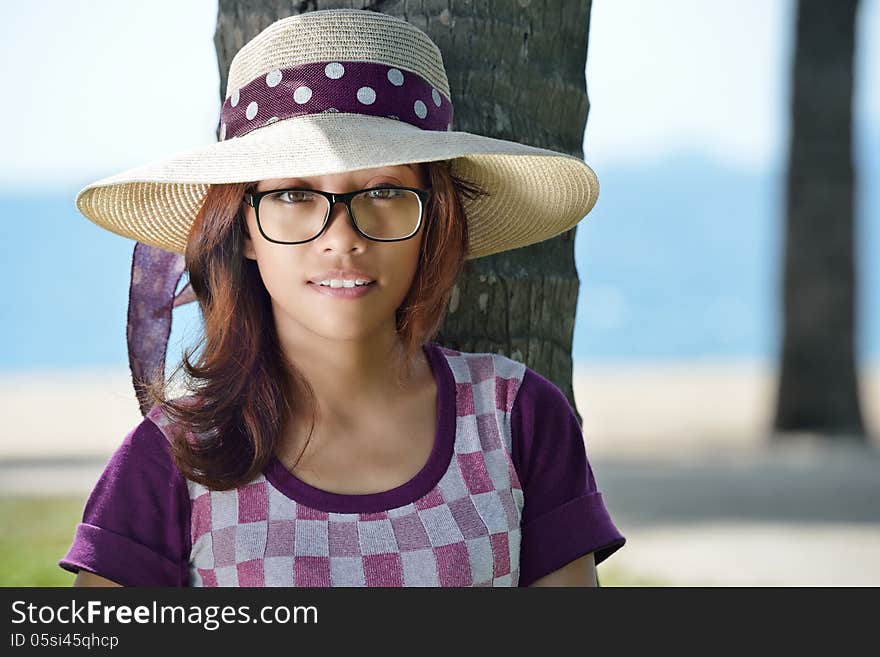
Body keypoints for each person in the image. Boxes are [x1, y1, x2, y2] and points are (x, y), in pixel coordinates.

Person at [59, 8, 625, 587]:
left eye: (383, 190)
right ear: (243, 230)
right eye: (294, 194)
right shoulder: (175, 457)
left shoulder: (517, 419)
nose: (342, 238)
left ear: (435, 219)